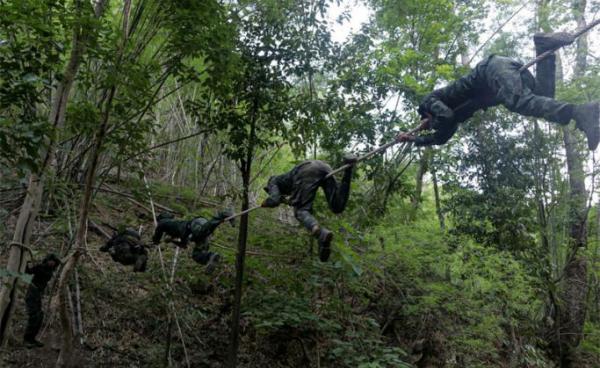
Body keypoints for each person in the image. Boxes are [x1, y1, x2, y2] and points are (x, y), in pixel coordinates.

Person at [397, 32, 600, 150]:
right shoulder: (451, 117)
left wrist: (431, 122)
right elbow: (441, 137)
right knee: (544, 99)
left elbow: (446, 117)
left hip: (491, 72)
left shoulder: (429, 102)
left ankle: (579, 111)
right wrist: (414, 139)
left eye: (431, 120)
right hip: (502, 80)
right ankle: (545, 48)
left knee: (518, 102)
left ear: (428, 114)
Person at [262, 155, 357, 262]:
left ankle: (321, 233)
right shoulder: (287, 184)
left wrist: (265, 203)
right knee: (337, 206)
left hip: (306, 170)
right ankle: (348, 169)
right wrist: (285, 200)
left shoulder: (273, 181)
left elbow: (274, 200)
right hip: (324, 167)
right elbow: (285, 198)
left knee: (301, 211)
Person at [153, 211, 234, 273]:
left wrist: (156, 241)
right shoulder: (174, 228)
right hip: (196, 235)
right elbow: (184, 245)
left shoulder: (165, 222)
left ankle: (224, 213)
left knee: (205, 229)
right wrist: (172, 241)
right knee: (196, 254)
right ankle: (211, 257)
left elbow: (158, 231)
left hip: (194, 225)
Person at [23, 253, 60, 348]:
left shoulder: (49, 271)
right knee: (34, 316)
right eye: (50, 261)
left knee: (40, 316)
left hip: (38, 294)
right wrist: (26, 263)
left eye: (53, 262)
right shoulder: (41, 267)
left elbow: (45, 273)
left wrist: (36, 267)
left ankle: (32, 339)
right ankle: (26, 340)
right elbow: (28, 272)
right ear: (47, 260)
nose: (51, 263)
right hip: (32, 293)